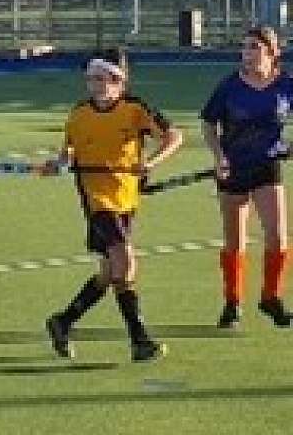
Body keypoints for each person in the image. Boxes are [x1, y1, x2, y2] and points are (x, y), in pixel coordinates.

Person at [42, 51, 184, 363]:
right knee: (126, 264)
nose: (95, 85)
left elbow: (174, 137)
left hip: (127, 199)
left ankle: (63, 321)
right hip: (97, 201)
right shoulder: (79, 114)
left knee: (110, 273)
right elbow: (67, 154)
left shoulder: (135, 109)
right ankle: (139, 340)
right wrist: (57, 164)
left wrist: (149, 163)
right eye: (91, 79)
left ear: (119, 80)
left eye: (102, 79)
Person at [199, 25, 293, 328]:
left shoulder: (286, 85)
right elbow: (208, 124)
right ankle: (232, 302)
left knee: (277, 237)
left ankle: (270, 297)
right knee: (235, 241)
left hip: (266, 167)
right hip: (234, 169)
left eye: (255, 47)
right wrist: (219, 157)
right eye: (245, 47)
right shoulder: (230, 86)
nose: (247, 53)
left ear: (272, 52)